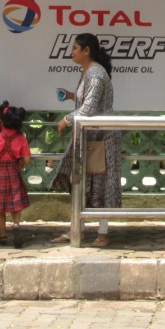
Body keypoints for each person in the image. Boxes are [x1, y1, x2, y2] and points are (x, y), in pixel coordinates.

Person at [50, 32, 122, 247]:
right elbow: (90, 101)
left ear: (86, 50)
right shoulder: (89, 73)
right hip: (89, 135)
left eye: (74, 48)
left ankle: (102, 233)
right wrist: (72, 96)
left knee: (100, 183)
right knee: (80, 180)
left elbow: (90, 108)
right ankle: (78, 229)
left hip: (102, 137)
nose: (71, 52)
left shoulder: (96, 74)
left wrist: (66, 119)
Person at [0, 102, 30, 246]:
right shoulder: (21, 138)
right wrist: (21, 164)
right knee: (15, 204)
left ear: (1, 122)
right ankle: (16, 224)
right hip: (14, 171)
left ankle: (2, 235)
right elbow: (27, 158)